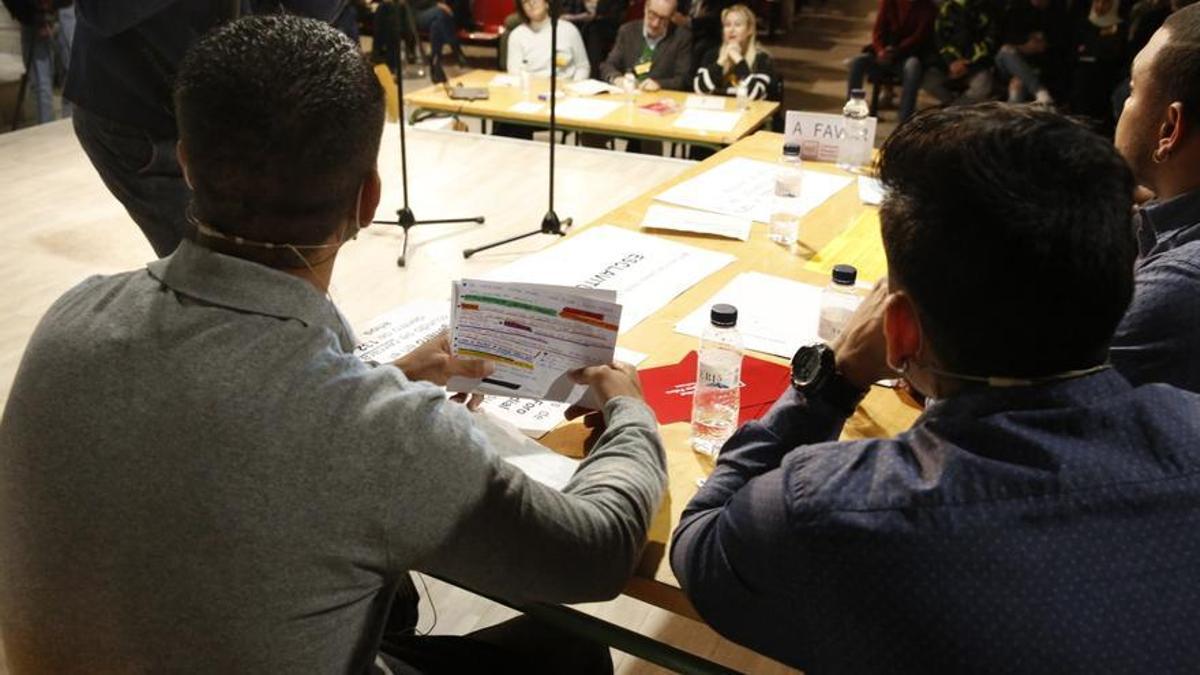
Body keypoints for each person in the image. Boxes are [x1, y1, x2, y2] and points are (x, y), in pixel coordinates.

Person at [0, 15, 667, 673]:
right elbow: (596, 549)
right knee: (570, 650)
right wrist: (630, 414)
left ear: (185, 163)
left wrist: (382, 377)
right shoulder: (380, 433)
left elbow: (232, 431)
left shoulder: (70, 318)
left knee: (394, 600)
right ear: (368, 199)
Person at [671, 103, 1200, 672]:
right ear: (1125, 284)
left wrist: (834, 378)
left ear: (897, 331)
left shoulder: (836, 508)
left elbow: (700, 544)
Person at [66, 1, 357, 260]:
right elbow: (101, 11)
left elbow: (305, 16)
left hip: (230, 115)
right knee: (223, 277)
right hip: (141, 119)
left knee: (274, 265)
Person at [1111, 2, 1200, 392]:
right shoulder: (1164, 219)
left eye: (1132, 90)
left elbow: (1002, 392)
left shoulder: (1177, 290)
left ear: (1169, 128)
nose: (1124, 106)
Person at [846, 0, 935, 123]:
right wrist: (880, 50)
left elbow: (919, 36)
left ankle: (904, 118)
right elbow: (878, 30)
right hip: (884, 53)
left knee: (913, 67)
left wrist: (897, 51)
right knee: (858, 62)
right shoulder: (889, 2)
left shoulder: (927, 7)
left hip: (906, 55)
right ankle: (853, 113)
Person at [2, 0, 74, 125]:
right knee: (42, 86)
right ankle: (48, 133)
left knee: (72, 75)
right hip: (31, 12)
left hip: (64, 8)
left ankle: (70, 128)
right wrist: (29, 16)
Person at [598, 0, 692, 92]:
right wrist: (617, 79)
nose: (655, 23)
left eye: (663, 18)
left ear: (672, 17)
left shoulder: (681, 37)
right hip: (629, 96)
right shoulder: (627, 31)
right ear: (645, 8)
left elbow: (683, 79)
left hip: (660, 98)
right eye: (652, 14)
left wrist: (659, 84)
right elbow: (607, 66)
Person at [922, 0, 997, 105]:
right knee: (928, 80)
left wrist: (967, 62)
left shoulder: (985, 9)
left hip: (974, 64)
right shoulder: (947, 8)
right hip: (948, 65)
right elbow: (939, 40)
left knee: (984, 85)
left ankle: (953, 109)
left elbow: (990, 40)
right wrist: (951, 61)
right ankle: (951, 104)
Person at [692, 4, 773, 100]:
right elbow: (699, 90)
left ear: (749, 30)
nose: (731, 30)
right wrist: (721, 61)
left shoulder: (762, 58)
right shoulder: (712, 54)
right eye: (727, 25)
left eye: (737, 25)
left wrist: (738, 60)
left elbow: (755, 95)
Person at [994, 0, 1069, 104]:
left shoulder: (1057, 14)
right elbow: (1006, 38)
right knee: (1006, 51)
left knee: (1019, 82)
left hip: (1035, 66)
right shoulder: (1016, 10)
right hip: (1010, 62)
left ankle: (1014, 114)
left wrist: (1042, 45)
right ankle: (1040, 91)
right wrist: (1024, 45)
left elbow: (1057, 45)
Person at [507, 0, 590, 80]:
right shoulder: (516, 35)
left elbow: (583, 67)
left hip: (566, 90)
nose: (531, 3)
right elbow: (514, 72)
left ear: (547, 3)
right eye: (525, 1)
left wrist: (573, 88)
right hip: (531, 89)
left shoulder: (569, 30)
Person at [562, 0, 626, 77]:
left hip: (610, 26)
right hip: (587, 25)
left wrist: (574, 18)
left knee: (593, 30)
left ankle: (593, 74)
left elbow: (611, 14)